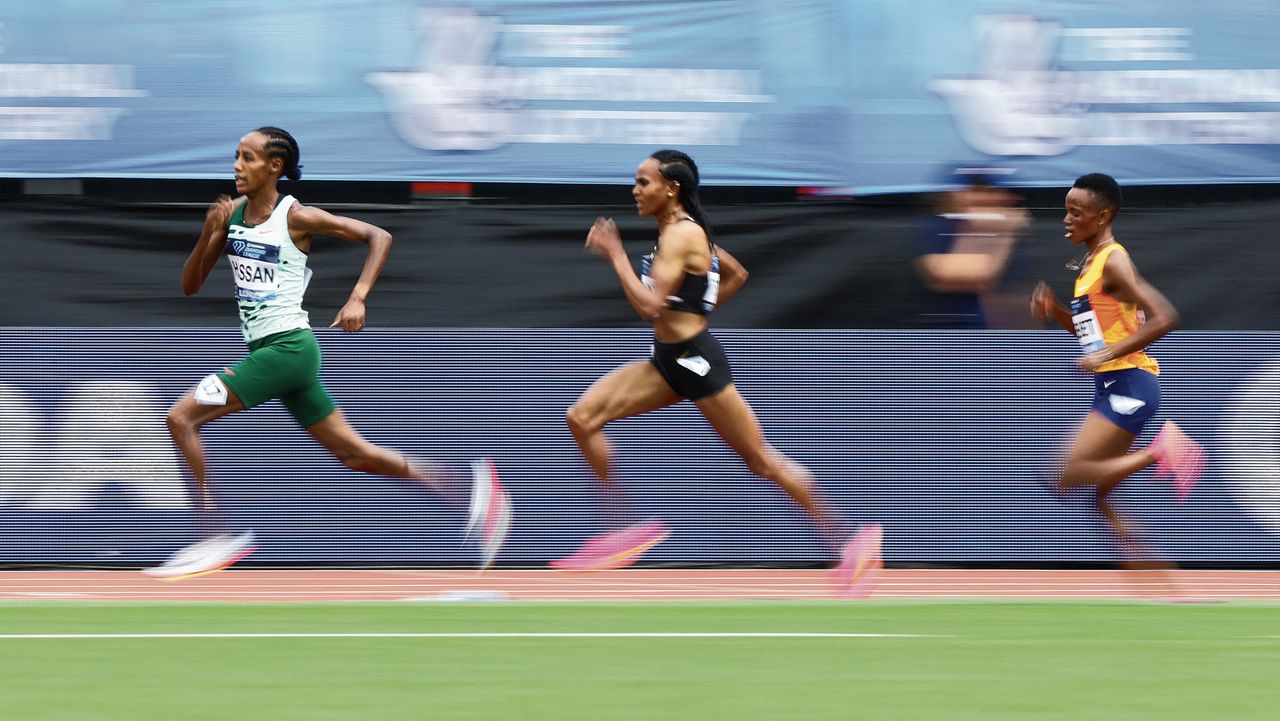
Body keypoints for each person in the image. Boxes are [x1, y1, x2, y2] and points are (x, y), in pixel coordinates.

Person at [147, 127, 511, 579]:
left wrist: (358, 296)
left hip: (287, 349)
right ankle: (472, 488)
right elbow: (190, 286)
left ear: (274, 167)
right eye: (236, 157)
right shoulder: (233, 215)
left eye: (248, 158)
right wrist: (210, 232)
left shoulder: (297, 217)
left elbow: (379, 236)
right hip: (278, 354)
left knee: (181, 418)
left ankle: (212, 536)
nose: (237, 166)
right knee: (356, 455)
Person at [556, 149, 882, 597]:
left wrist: (615, 255)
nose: (635, 190)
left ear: (671, 188)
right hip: (668, 360)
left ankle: (851, 539)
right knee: (582, 417)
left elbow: (649, 306)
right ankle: (623, 529)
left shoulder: (681, 236)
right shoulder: (682, 233)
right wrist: (695, 309)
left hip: (695, 360)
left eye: (644, 182)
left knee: (762, 460)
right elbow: (736, 273)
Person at [1031, 173, 1205, 582]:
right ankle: (1155, 577)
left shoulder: (1114, 260)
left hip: (1128, 385)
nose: (1066, 220)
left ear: (1102, 215)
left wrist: (1108, 354)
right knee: (1101, 497)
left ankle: (1163, 451)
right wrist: (1056, 311)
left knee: (1063, 475)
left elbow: (1165, 317)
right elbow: (1095, 335)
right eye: (1066, 210)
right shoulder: (1091, 265)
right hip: (1116, 386)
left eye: (1077, 212)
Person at [914, 167, 1029, 328]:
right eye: (976, 191)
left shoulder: (1014, 234)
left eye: (993, 193)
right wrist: (1004, 232)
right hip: (933, 333)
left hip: (988, 334)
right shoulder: (936, 227)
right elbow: (951, 276)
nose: (985, 200)